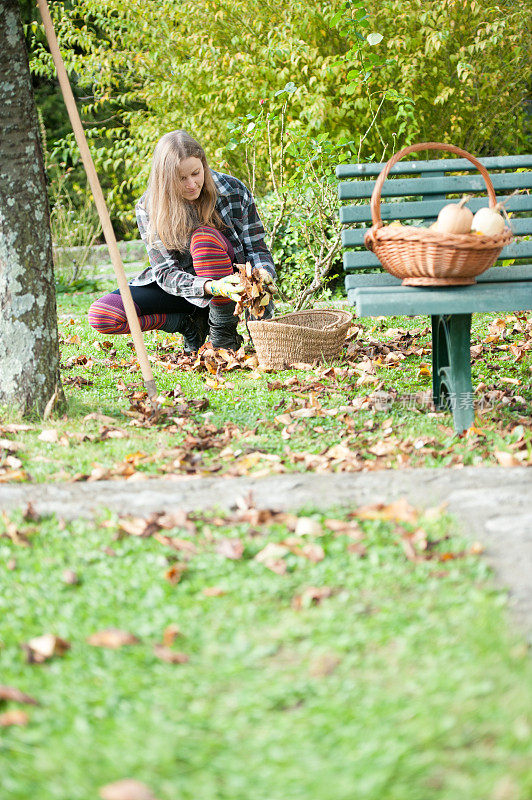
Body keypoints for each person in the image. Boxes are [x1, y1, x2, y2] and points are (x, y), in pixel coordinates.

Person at [88, 130, 276, 352]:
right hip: (188, 290)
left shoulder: (232, 190)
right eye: (181, 178)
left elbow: (257, 249)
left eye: (196, 173)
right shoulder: (149, 206)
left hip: (232, 289)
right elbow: (165, 273)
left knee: (204, 238)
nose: (191, 184)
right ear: (165, 178)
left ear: (203, 165)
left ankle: (224, 336)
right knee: (104, 315)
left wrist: (263, 275)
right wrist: (211, 287)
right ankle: (189, 325)